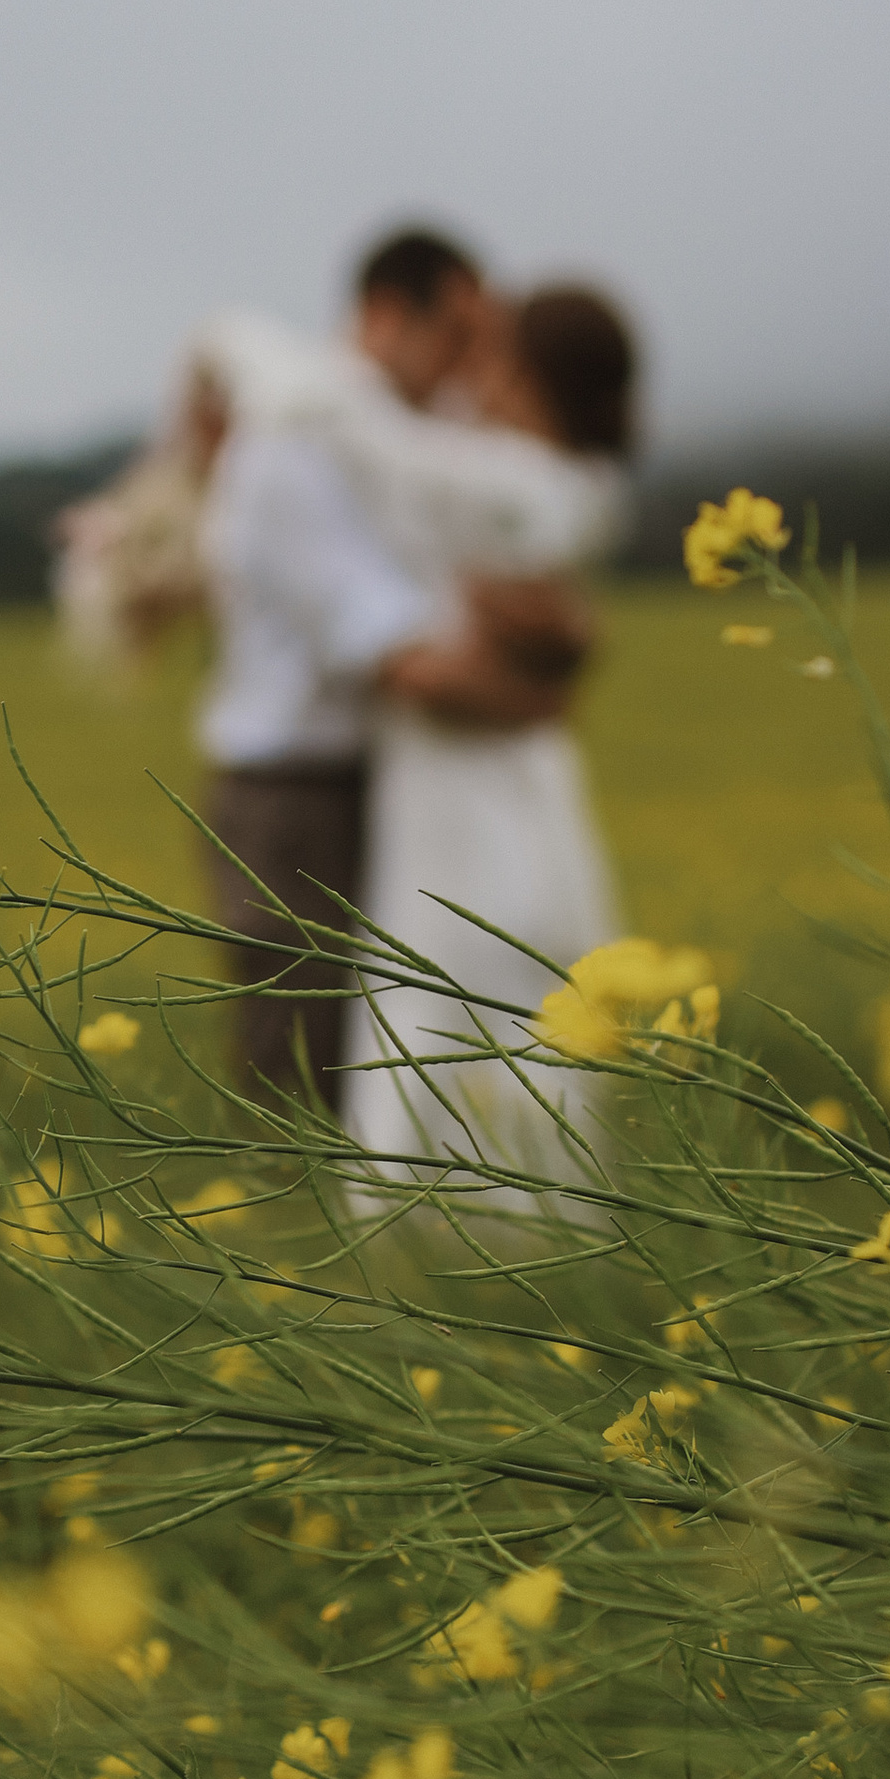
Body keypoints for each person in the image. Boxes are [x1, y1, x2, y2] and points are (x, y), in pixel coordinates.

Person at [189, 228, 578, 1101]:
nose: (467, 366)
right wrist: (542, 708)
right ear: (387, 313)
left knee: (377, 1064)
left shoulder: (386, 446)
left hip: (369, 779)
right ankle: (282, 1234)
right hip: (294, 794)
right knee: (302, 1071)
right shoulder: (292, 447)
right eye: (457, 336)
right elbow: (403, 658)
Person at [339, 284, 636, 1191]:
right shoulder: (564, 480)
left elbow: (380, 451)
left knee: (456, 968)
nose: (483, 381)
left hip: (468, 773)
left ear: (536, 379)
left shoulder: (526, 484)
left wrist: (304, 366)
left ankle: (441, 1203)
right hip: (497, 770)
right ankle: (517, 1199)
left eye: (500, 360)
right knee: (487, 970)